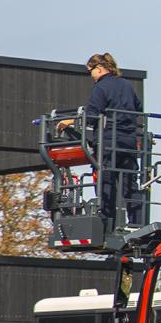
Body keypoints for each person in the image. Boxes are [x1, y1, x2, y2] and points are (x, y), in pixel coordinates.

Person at [59, 52, 145, 229]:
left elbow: (91, 116)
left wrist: (70, 121)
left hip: (108, 141)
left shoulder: (100, 87)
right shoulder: (127, 85)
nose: (90, 75)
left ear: (98, 68)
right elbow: (138, 108)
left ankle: (107, 224)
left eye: (90, 71)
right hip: (129, 140)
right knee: (130, 183)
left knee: (106, 182)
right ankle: (137, 223)